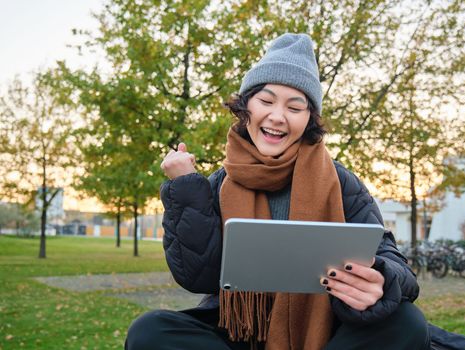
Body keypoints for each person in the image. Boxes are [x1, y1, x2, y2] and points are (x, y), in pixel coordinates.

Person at [125, 33, 430, 350]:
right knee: (150, 331)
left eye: (295, 107)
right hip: (239, 331)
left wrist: (381, 279)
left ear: (308, 119)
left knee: (407, 323)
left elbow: (392, 261)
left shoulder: (341, 181)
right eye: (266, 101)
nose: (277, 116)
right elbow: (197, 276)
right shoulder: (216, 184)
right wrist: (185, 187)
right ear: (246, 108)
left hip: (326, 329)